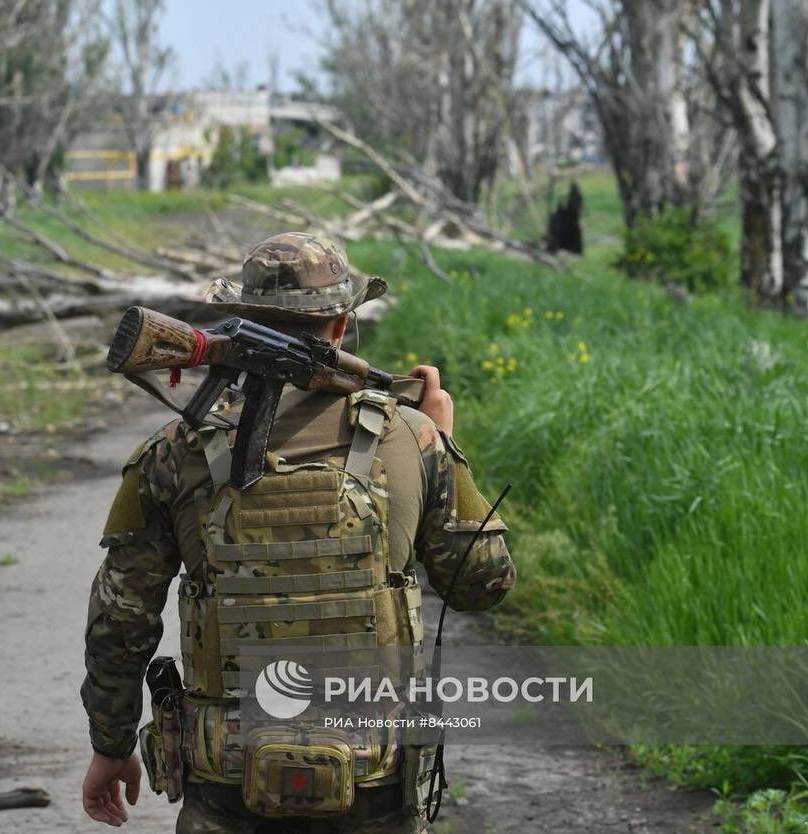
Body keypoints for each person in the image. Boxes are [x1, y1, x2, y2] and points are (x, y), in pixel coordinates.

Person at [80, 232, 515, 833]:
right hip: (374, 778)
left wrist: (110, 745)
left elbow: (120, 619)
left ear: (243, 318)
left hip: (226, 779)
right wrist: (442, 440)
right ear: (341, 324)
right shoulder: (412, 439)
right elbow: (483, 584)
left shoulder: (172, 452)